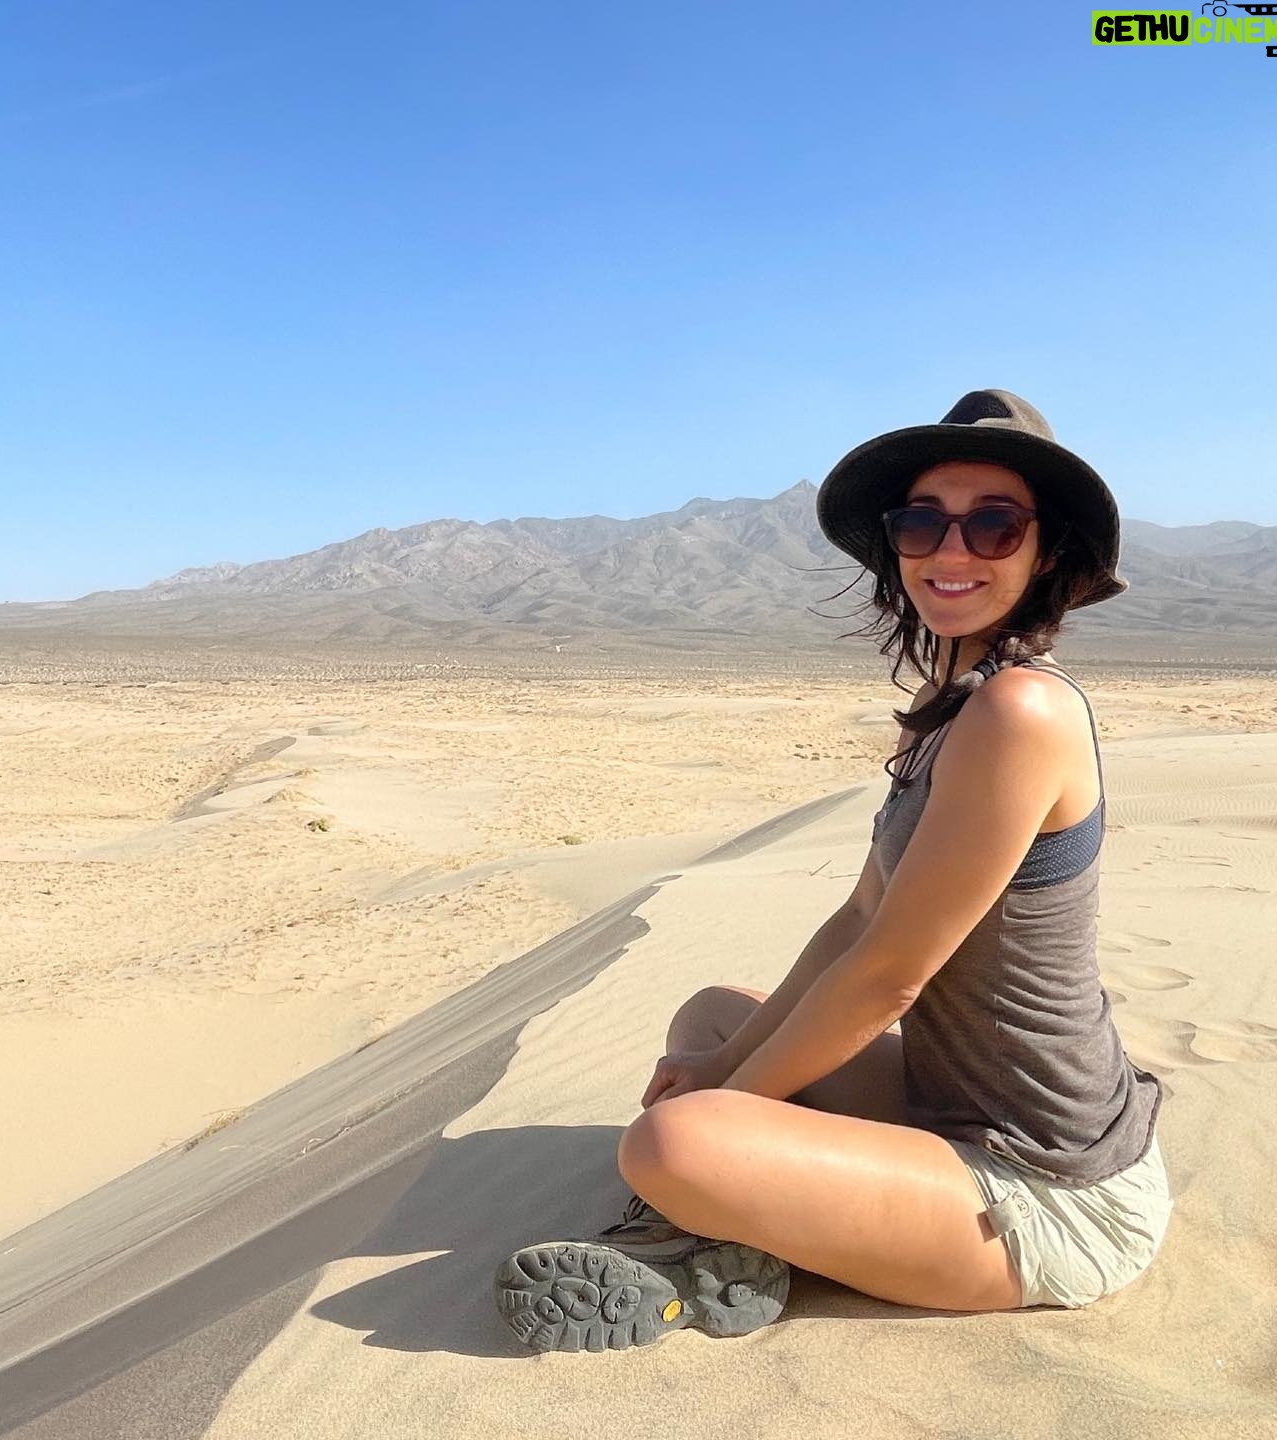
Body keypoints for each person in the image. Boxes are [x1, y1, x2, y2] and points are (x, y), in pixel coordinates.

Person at [493, 390, 1171, 1354]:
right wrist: (727, 1068)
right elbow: (859, 921)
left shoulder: (1022, 713)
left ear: (1048, 552)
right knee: (712, 1020)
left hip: (1054, 1189)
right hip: (949, 1109)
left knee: (673, 1142)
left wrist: (733, 1105)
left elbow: (889, 976)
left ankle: (704, 1244)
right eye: (922, 522)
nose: (951, 549)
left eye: (993, 525)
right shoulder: (954, 705)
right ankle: (729, 1228)